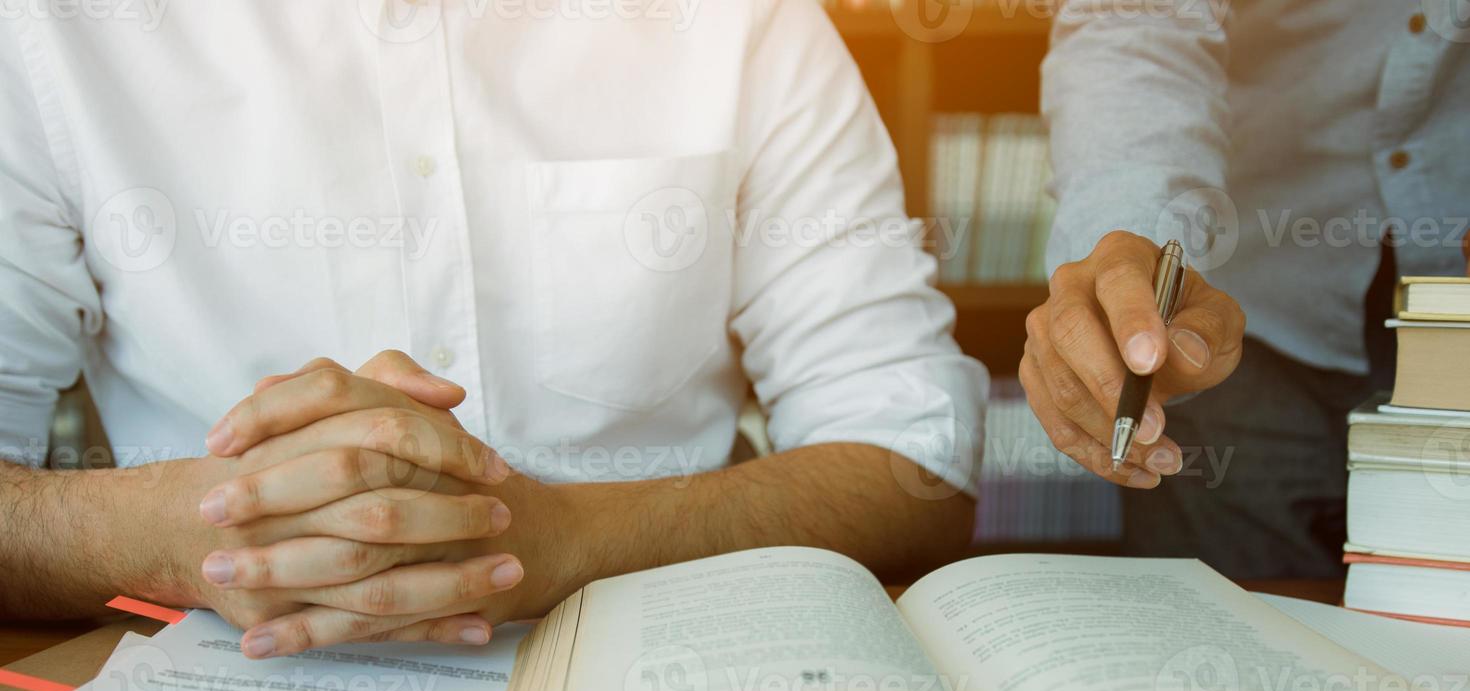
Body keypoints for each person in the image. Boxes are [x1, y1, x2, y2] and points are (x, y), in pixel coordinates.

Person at [0, 0, 987, 657]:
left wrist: (564, 540)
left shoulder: (745, 20)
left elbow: (914, 464)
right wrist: (184, 541)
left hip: (671, 683)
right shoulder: (52, 29)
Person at [1024, 0, 1470, 578]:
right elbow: (1140, 22)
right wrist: (1131, 234)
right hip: (1248, 322)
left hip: (1451, 331)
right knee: (1219, 630)